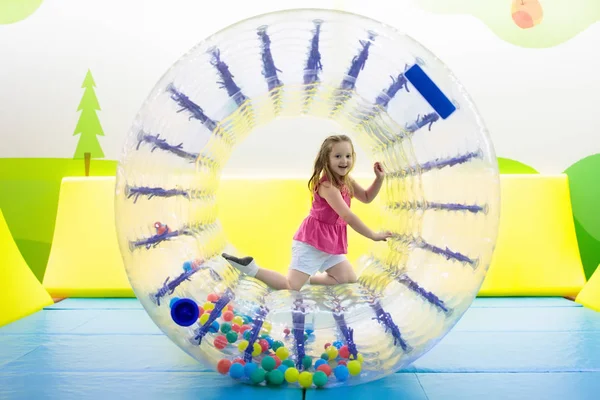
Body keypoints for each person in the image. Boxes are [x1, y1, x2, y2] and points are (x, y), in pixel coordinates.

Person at [222, 134, 391, 291]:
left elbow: (367, 197)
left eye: (348, 156)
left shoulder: (347, 181)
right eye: (338, 156)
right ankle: (251, 268)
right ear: (327, 159)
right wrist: (373, 235)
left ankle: (308, 279)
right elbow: (348, 216)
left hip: (330, 244)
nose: (344, 161)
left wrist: (379, 179)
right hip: (312, 242)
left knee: (347, 279)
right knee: (291, 286)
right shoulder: (327, 186)